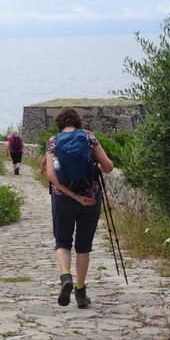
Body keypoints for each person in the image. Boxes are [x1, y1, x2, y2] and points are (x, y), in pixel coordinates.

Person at [42, 108, 113, 308]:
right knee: (83, 247)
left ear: (59, 124)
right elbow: (108, 167)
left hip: (63, 198)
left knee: (63, 241)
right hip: (90, 198)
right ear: (78, 122)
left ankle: (66, 277)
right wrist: (97, 166)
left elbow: (51, 177)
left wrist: (73, 195)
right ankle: (80, 293)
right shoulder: (89, 137)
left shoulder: (53, 142)